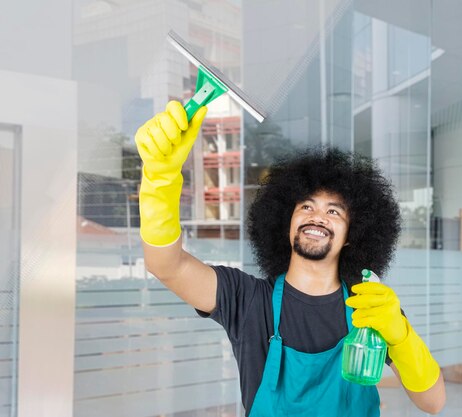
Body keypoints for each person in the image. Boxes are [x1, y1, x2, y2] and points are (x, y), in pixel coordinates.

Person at [135, 101, 446, 417]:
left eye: (334, 211)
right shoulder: (247, 299)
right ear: (285, 222)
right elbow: (167, 266)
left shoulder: (370, 309)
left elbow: (433, 402)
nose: (318, 217)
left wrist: (401, 336)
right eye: (306, 207)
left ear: (354, 234)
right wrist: (160, 181)